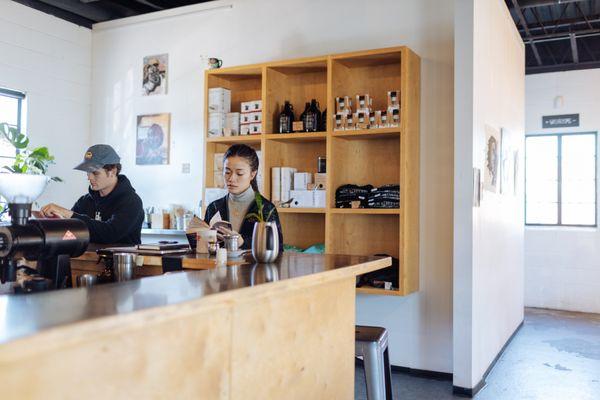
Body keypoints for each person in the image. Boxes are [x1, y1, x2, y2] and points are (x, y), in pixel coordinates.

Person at [40, 144, 144, 245]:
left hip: (120, 262)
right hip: (85, 261)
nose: (89, 177)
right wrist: (56, 220)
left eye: (95, 173)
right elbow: (70, 233)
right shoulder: (84, 201)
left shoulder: (131, 202)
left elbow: (109, 234)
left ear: (112, 171)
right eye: (87, 172)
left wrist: (68, 214)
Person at [204, 144, 283, 251]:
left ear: (252, 174)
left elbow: (277, 249)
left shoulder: (266, 209)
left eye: (239, 173)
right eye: (227, 172)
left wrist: (243, 242)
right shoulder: (213, 207)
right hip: (219, 267)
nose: (231, 178)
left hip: (254, 267)